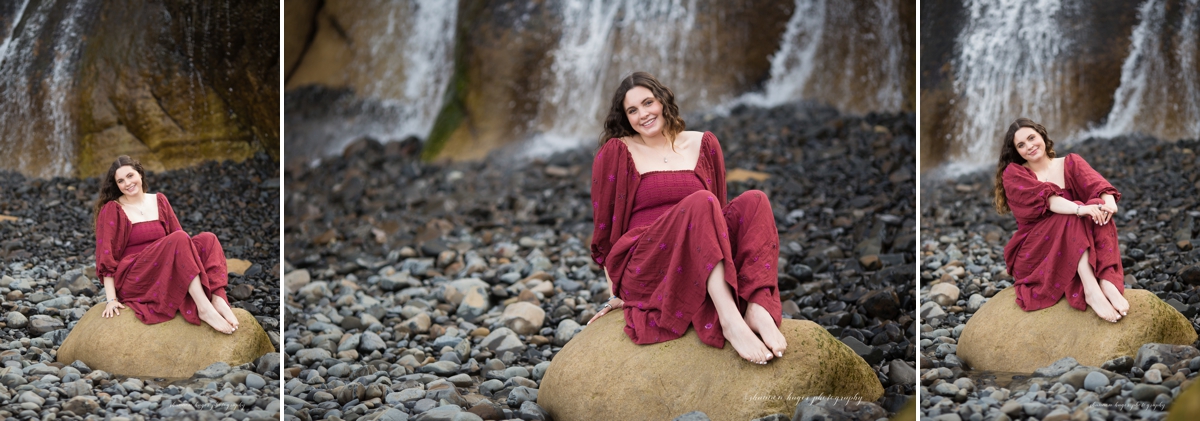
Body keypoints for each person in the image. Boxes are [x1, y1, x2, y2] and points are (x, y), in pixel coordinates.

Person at [586, 72, 787, 364]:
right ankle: (730, 320)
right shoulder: (618, 151)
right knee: (701, 202)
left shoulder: (703, 144)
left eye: (648, 103)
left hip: (697, 252)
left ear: (662, 101)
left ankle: (758, 306)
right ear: (625, 117)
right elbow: (606, 231)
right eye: (632, 110)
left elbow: (718, 214)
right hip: (647, 261)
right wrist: (615, 292)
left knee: (755, 200)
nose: (643, 114)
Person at [994, 118, 1128, 322]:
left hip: (1076, 239)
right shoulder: (1015, 173)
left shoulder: (1071, 162)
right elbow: (1051, 202)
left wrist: (1109, 204)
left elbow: (1098, 185)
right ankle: (1091, 289)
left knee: (1097, 208)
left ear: (1042, 136)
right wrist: (1081, 209)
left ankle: (1107, 281)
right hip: (1036, 250)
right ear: (1016, 151)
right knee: (1073, 213)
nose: (1029, 146)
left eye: (1032, 138)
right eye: (1021, 145)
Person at [93, 156, 241, 334]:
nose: (127, 183)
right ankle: (203, 308)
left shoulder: (159, 200)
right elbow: (106, 256)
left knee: (208, 239)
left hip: (165, 269)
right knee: (179, 238)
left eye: (130, 176)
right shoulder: (113, 209)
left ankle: (218, 298)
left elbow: (183, 242)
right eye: (120, 181)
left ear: (140, 174)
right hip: (136, 276)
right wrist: (111, 300)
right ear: (116, 185)